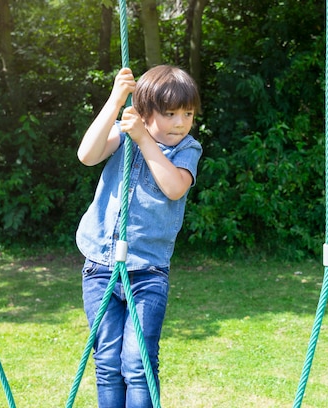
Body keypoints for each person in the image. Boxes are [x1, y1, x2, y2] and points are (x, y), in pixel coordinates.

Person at [75, 65, 202, 408]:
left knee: (137, 363)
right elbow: (86, 155)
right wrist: (116, 101)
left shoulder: (187, 149)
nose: (180, 122)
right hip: (101, 265)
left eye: (187, 114)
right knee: (107, 361)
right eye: (171, 113)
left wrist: (145, 140)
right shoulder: (122, 133)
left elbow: (174, 188)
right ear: (144, 113)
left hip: (147, 272)